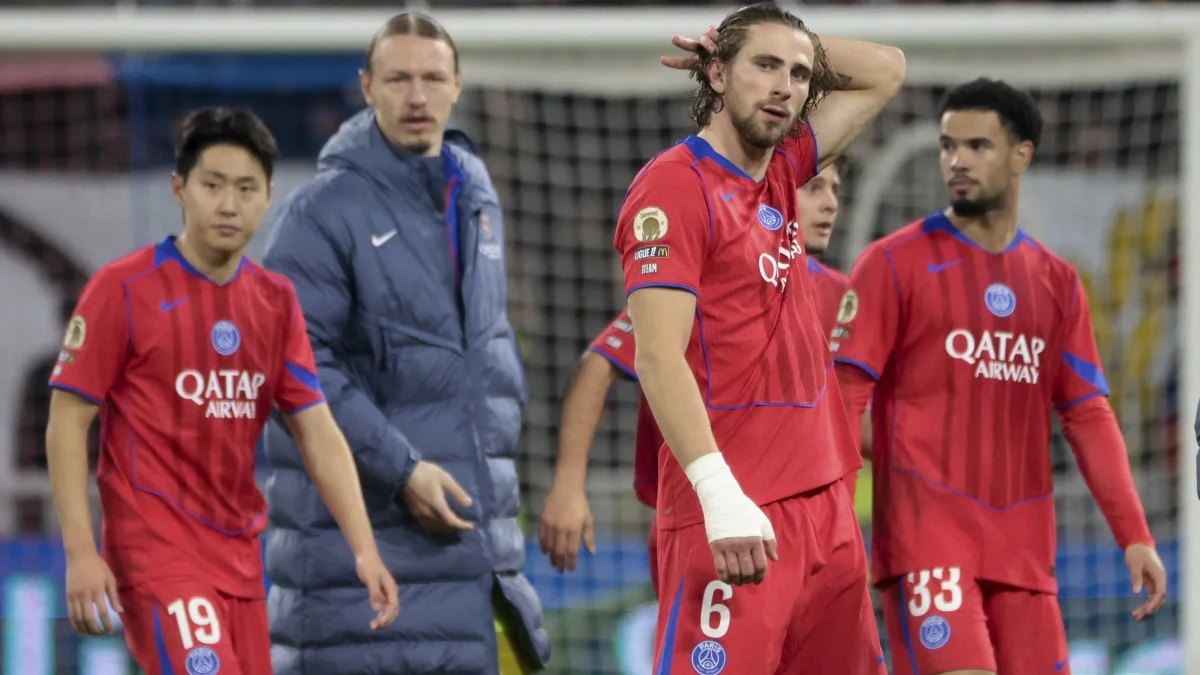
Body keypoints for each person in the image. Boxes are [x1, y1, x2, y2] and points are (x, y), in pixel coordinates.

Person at [44, 107, 398, 675]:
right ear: (179, 189)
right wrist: (81, 552)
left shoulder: (276, 302)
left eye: (245, 188)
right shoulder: (123, 288)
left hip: (240, 560)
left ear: (268, 197)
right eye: (212, 185)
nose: (228, 204)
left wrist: (364, 548)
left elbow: (317, 429)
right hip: (156, 553)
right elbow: (67, 421)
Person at [832, 78, 1168, 675]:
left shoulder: (1057, 282)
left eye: (977, 146)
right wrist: (831, 523)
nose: (956, 160)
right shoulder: (892, 264)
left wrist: (1134, 534)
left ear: (1022, 154)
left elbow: (1087, 414)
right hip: (924, 545)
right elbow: (839, 403)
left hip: (1025, 557)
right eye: (947, 145)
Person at [618, 3, 906, 672]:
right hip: (734, 512)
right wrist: (718, 495)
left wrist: (780, 44)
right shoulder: (672, 187)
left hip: (828, 509)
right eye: (764, 66)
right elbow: (657, 357)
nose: (785, 86)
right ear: (715, 74)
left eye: (800, 74)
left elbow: (886, 71)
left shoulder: (783, 170)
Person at [261, 12, 547, 675]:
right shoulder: (319, 214)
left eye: (431, 78)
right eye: (397, 79)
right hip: (360, 574)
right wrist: (403, 468)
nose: (416, 97)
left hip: (476, 565)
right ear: (366, 86)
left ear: (457, 85)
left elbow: (484, 368)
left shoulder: (476, 195)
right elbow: (296, 367)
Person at [537, 161, 851, 597]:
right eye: (814, 188)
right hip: (712, 520)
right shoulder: (716, 278)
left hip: (812, 525)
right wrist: (569, 486)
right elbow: (597, 366)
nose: (831, 203)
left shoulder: (838, 294)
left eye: (836, 189)